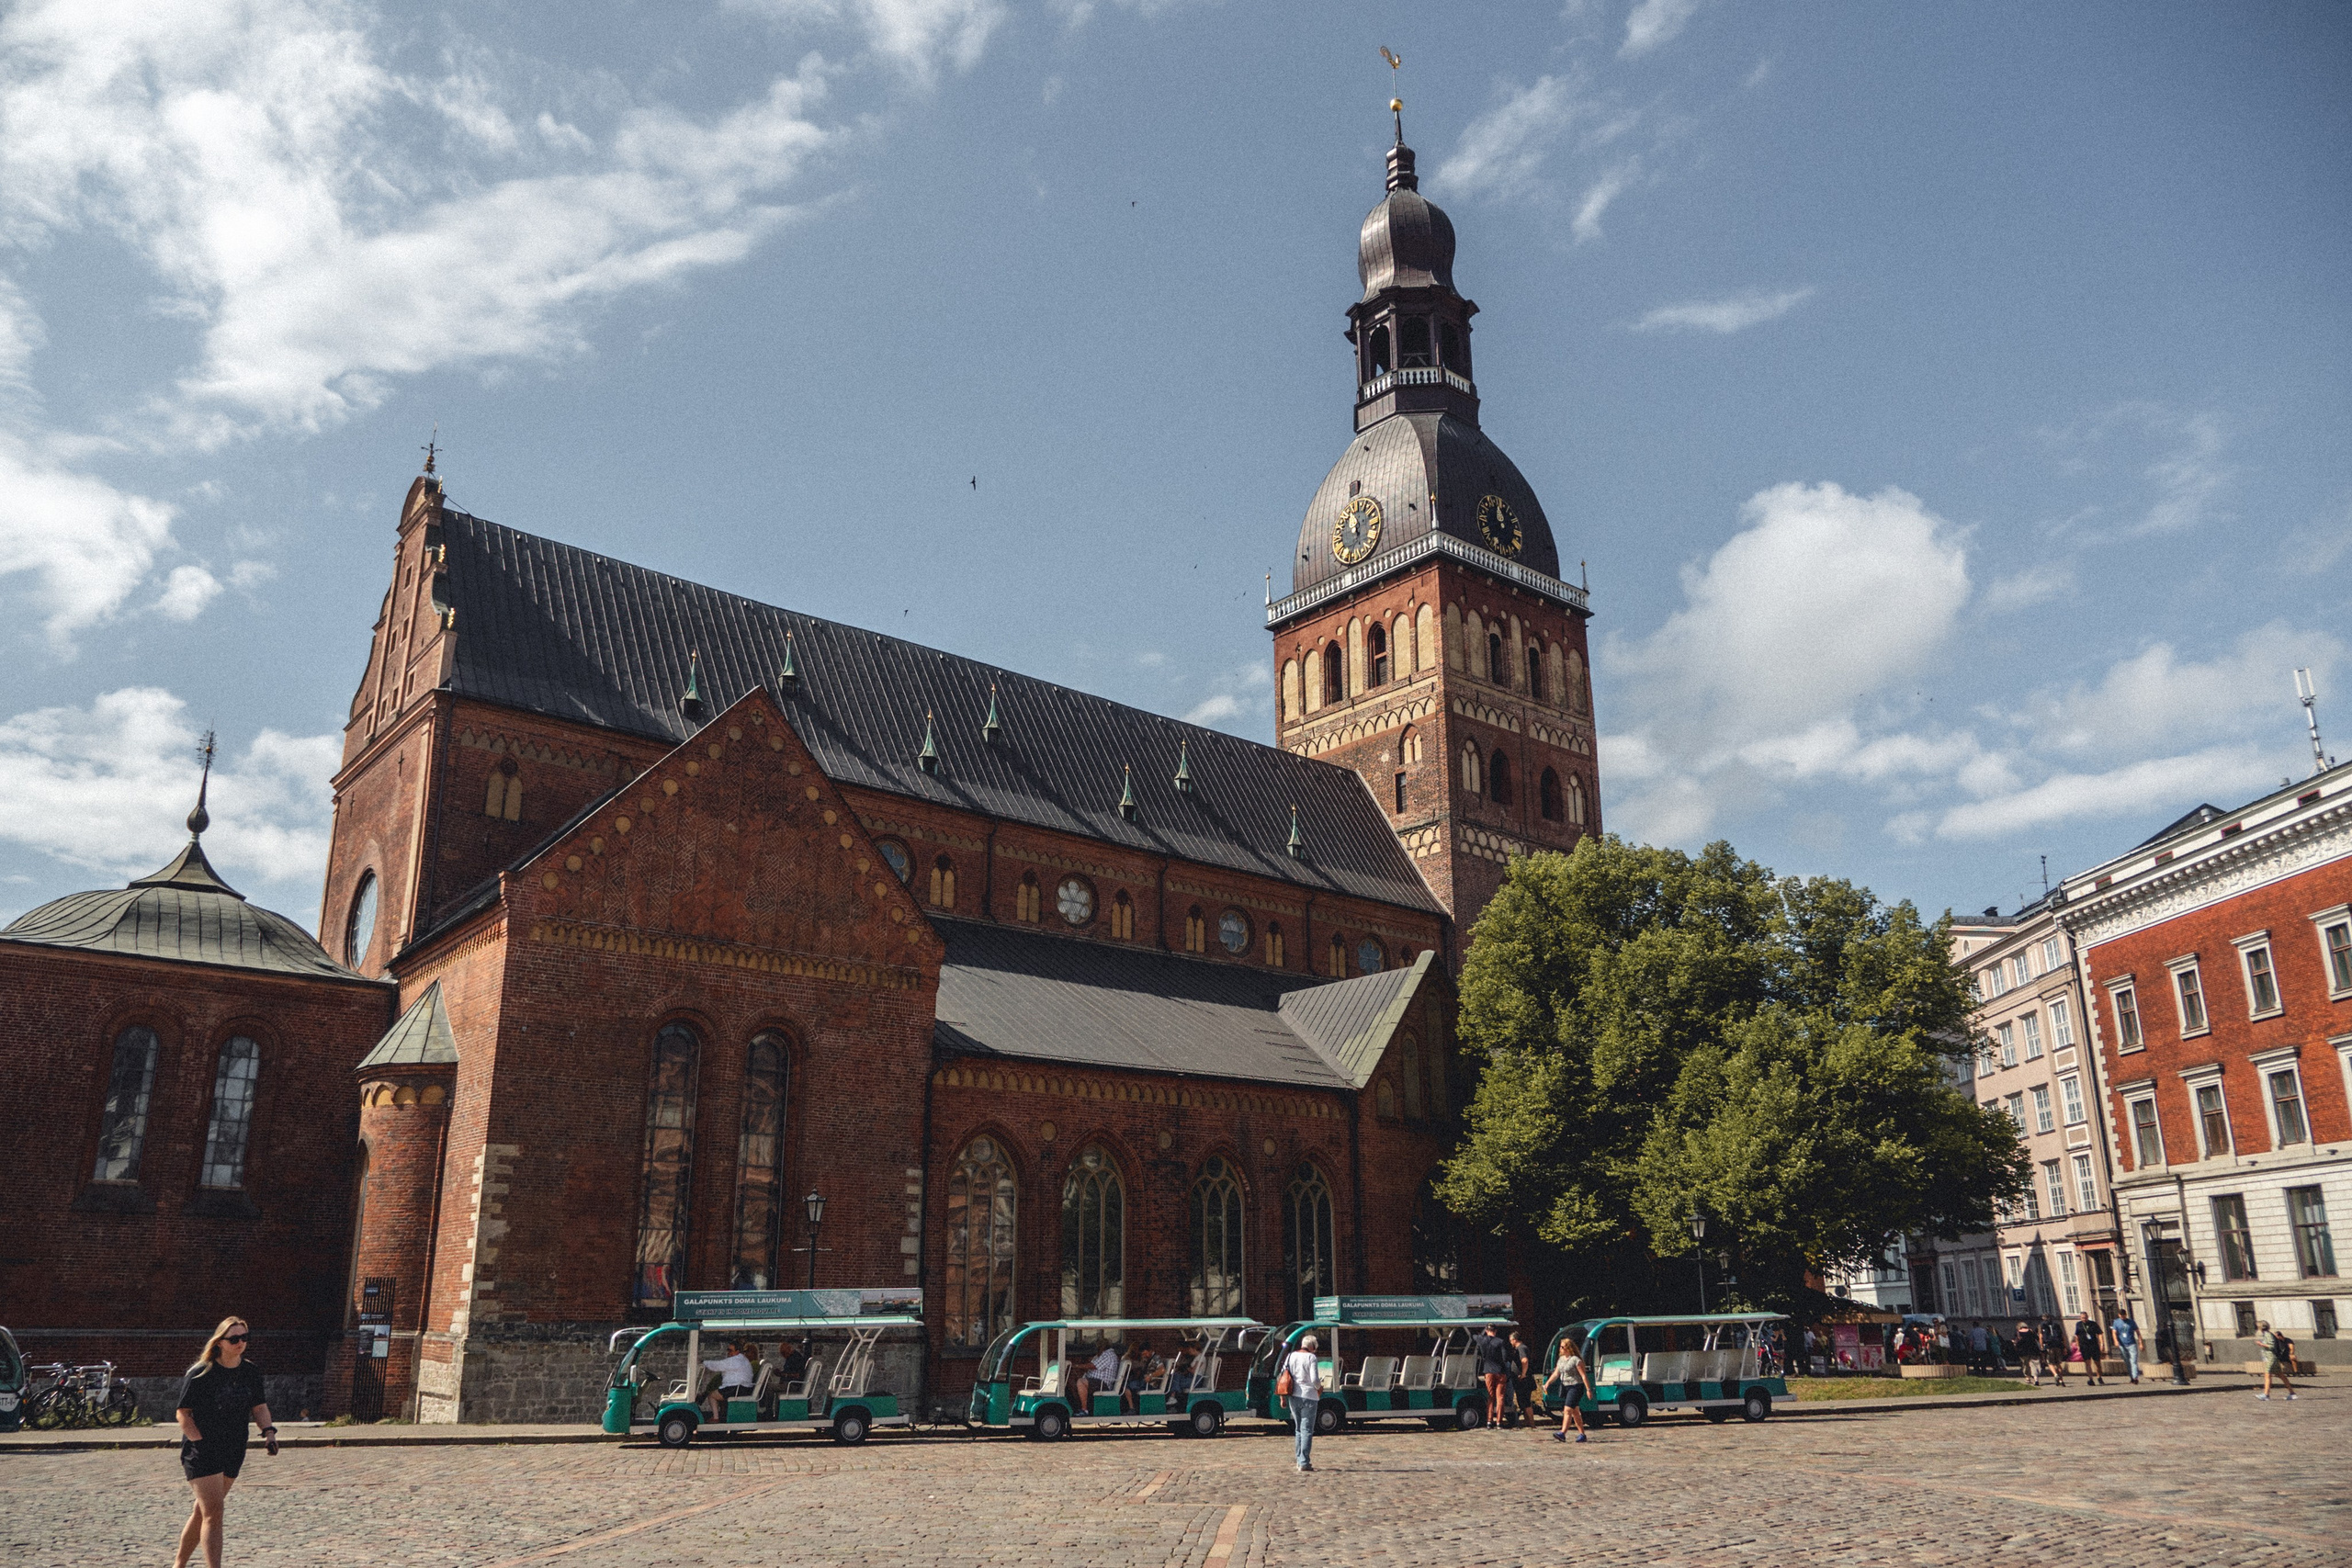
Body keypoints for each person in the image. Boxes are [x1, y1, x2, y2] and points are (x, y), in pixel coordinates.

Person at [173, 1315, 277, 1568]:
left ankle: (178, 1565)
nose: (240, 1343)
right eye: (234, 1339)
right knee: (214, 1513)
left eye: (244, 1338)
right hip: (202, 1450)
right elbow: (183, 1413)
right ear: (220, 1342)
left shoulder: (250, 1371)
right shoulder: (202, 1372)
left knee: (203, 1512)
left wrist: (269, 1432)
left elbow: (259, 1406)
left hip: (233, 1448)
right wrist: (199, 1441)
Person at [1283, 1334, 1322, 1472]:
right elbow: (1315, 1379)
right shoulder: (1311, 1358)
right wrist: (1320, 1388)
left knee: (1298, 1429)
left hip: (1293, 1395)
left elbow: (1283, 1375)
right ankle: (1304, 1462)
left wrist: (1282, 1398)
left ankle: (1299, 1460)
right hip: (1309, 1395)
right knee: (1307, 1430)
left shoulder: (1290, 1356)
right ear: (1312, 1346)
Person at [1550, 1336, 1595, 1445]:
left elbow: (1583, 1376)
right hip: (1566, 1387)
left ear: (1568, 1348)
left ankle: (1562, 1433)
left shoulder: (1576, 1360)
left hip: (1576, 1387)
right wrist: (1547, 1384)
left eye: (1562, 1347)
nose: (1560, 1349)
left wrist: (1588, 1389)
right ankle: (1582, 1435)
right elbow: (1556, 1373)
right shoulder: (1561, 1360)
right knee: (1575, 1412)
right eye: (1560, 1347)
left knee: (1567, 1410)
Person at [701, 1340, 754, 1421]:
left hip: (737, 1388)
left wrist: (704, 1362)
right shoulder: (743, 1359)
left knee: (712, 1395)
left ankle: (715, 1418)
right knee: (717, 1390)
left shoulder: (735, 1360)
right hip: (743, 1387)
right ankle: (721, 1416)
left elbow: (718, 1365)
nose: (728, 1352)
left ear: (737, 1351)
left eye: (730, 1350)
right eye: (728, 1350)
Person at [1474, 1325, 1511, 1431]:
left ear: (1486, 1330)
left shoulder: (1482, 1340)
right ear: (1495, 1331)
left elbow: (1474, 1336)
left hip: (1488, 1371)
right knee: (1500, 1397)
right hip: (1500, 1371)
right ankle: (1499, 1422)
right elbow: (1504, 1358)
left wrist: (1480, 1334)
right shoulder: (1500, 1342)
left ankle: (1489, 1421)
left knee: (1490, 1397)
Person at [2255, 1320, 2298, 1401]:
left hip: (2271, 1358)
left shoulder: (2268, 1335)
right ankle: (2292, 1393)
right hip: (2273, 1358)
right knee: (2281, 1375)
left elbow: (2271, 1346)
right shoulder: (2267, 1334)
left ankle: (2266, 1394)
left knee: (2267, 1375)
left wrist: (2261, 1344)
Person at [1505, 1331, 1532, 1428]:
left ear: (1514, 1339)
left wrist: (1523, 1374)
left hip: (1524, 1379)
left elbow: (1524, 1360)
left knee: (1526, 1401)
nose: (1510, 1343)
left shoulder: (1521, 1348)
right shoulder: (1519, 1348)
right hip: (1520, 1379)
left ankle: (1531, 1423)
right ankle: (1527, 1421)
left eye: (1511, 1340)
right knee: (1522, 1401)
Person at [2109, 1309, 2142, 1384]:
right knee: (2127, 1362)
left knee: (2133, 1361)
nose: (2122, 1316)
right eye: (2120, 1315)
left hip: (2132, 1344)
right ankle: (2132, 1378)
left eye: (2123, 1315)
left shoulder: (2131, 1322)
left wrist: (2140, 1343)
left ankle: (2135, 1377)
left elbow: (2138, 1332)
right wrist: (2116, 1341)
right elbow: (2114, 1332)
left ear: (2125, 1315)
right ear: (2119, 1315)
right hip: (2122, 1345)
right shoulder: (2116, 1322)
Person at [2074, 1313, 2106, 1387]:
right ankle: (2090, 1379)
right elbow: (2077, 1336)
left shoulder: (2093, 1324)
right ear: (2080, 1318)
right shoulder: (2078, 1324)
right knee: (2088, 1363)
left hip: (2093, 1345)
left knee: (2097, 1363)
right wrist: (2078, 1345)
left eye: (2085, 1317)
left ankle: (2099, 1377)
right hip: (2084, 1346)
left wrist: (2102, 1344)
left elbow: (2100, 1333)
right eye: (2082, 1318)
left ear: (2087, 1317)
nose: (2084, 1319)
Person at [2040, 1319, 2070, 1388]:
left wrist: (2041, 1346)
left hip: (2049, 1346)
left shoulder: (2043, 1326)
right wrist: (2064, 1347)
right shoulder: (2056, 1325)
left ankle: (2056, 1375)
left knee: (2050, 1363)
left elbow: (2041, 1337)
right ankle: (2061, 1381)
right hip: (2058, 1345)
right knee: (2058, 1364)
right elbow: (2063, 1337)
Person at [2017, 1320, 2043, 1386]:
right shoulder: (2031, 1331)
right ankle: (2036, 1378)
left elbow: (2017, 1342)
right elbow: (2037, 1338)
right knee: (2034, 1365)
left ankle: (2027, 1377)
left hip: (2023, 1351)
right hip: (2033, 1350)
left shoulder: (2018, 1333)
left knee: (2026, 1365)